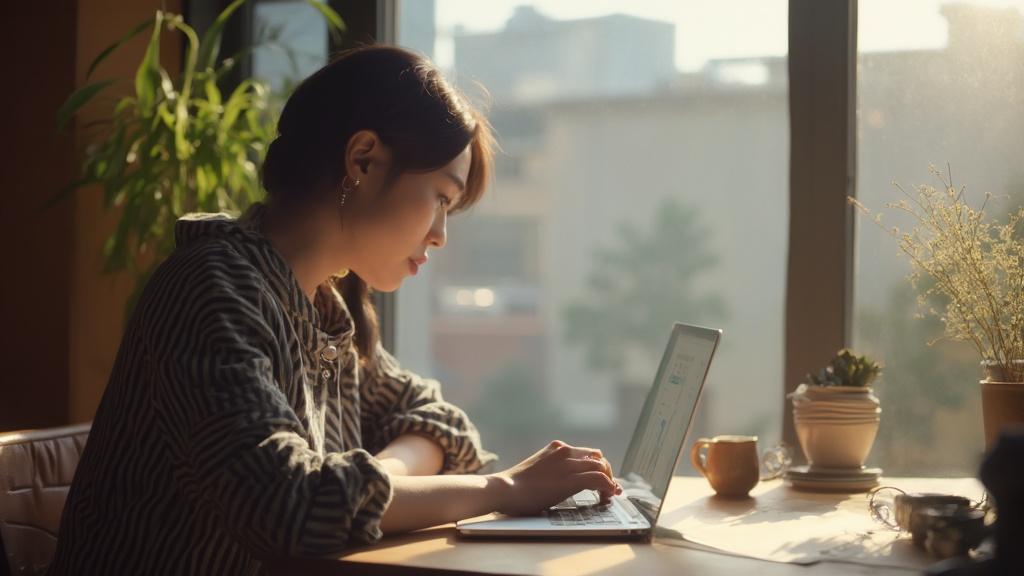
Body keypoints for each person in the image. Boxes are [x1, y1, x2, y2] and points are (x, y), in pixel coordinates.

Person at [50, 45, 619, 575]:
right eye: (441, 198)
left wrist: (367, 481)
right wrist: (506, 491)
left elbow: (441, 424)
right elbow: (288, 506)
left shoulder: (323, 306)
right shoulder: (211, 289)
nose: (442, 235)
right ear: (364, 159)